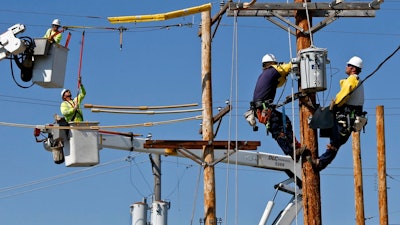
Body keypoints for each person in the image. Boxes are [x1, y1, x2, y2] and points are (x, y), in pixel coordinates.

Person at [308, 56, 367, 171]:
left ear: (354, 69)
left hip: (345, 120)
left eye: (348, 65)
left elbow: (343, 96)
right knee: (335, 144)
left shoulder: (352, 80)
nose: (346, 67)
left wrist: (334, 105)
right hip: (350, 120)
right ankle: (320, 163)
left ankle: (319, 163)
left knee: (334, 143)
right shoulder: (358, 82)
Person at [248, 53, 305, 161]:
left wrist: (285, 73)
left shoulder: (266, 74)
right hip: (263, 109)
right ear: (272, 64)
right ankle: (292, 151)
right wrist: (297, 61)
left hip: (262, 109)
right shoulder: (272, 71)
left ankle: (295, 146)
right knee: (277, 130)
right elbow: (285, 68)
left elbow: (279, 83)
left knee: (285, 122)